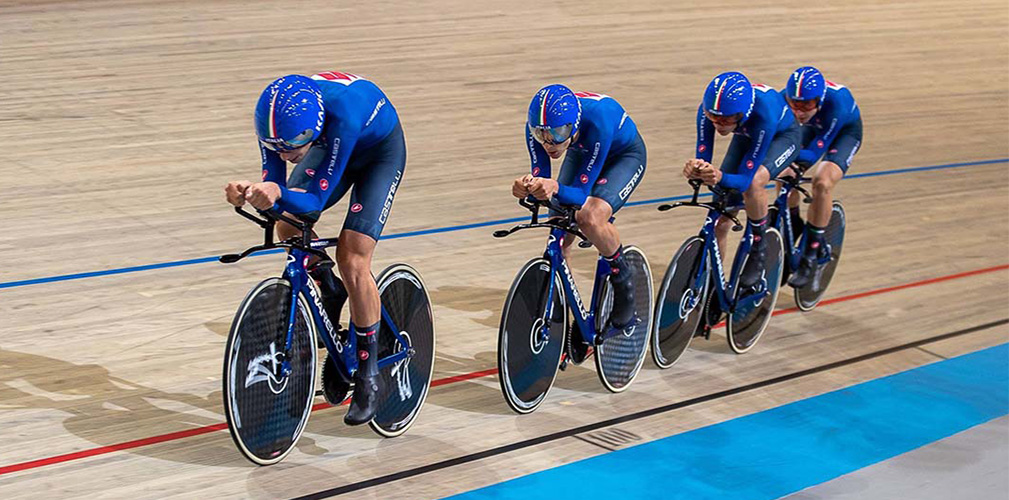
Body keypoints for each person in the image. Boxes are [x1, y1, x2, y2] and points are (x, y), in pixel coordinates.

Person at [224, 72, 406, 425]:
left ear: (315, 125)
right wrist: (250, 193)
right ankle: (327, 284)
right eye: (276, 146)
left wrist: (276, 193)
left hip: (378, 154)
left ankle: (368, 374)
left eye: (293, 145)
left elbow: (314, 201)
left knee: (352, 257)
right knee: (287, 224)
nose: (286, 154)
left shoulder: (342, 115)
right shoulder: (279, 126)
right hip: (328, 143)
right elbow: (275, 188)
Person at [511, 84, 647, 333]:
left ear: (573, 126)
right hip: (582, 150)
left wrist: (554, 187)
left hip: (623, 156)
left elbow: (580, 195)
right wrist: (528, 187)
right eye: (541, 134)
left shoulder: (598, 121)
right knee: (557, 223)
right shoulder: (540, 130)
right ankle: (564, 307)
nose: (549, 143)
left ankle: (623, 280)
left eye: (557, 133)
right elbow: (542, 180)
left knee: (590, 217)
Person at [685, 71, 801, 290]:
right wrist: (697, 169)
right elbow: (703, 158)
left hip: (782, 137)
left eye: (726, 119)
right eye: (713, 117)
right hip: (746, 134)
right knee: (721, 216)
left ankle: (759, 247)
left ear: (743, 113)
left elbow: (745, 181)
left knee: (755, 183)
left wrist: (720, 176)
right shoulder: (710, 112)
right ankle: (712, 287)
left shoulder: (763, 115)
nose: (719, 124)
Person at [779, 66, 862, 288]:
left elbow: (815, 151)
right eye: (794, 104)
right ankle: (793, 220)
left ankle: (812, 250)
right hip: (812, 128)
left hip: (843, 134)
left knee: (822, 182)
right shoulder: (783, 98)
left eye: (806, 105)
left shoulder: (837, 104)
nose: (799, 111)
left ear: (819, 100)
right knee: (784, 171)